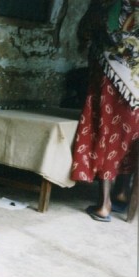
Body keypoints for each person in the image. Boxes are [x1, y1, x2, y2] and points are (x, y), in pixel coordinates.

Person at [71, 0, 139, 222]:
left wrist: (86, 42)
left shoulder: (108, 4)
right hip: (135, 82)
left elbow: (86, 30)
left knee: (105, 134)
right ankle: (122, 192)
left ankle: (104, 204)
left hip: (108, 78)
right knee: (128, 136)